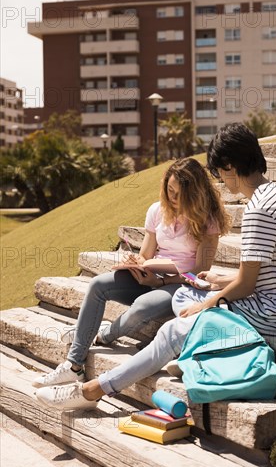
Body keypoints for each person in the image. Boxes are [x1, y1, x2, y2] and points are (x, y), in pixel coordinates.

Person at [35, 123, 276, 410]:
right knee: (184, 297)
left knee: (173, 329)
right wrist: (220, 280)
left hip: (273, 316)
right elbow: (263, 274)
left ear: (229, 165)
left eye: (218, 172)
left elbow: (246, 285)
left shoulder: (259, 210)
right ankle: (188, 353)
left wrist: (205, 306)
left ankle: (91, 391)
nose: (220, 179)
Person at [33, 157, 230, 389]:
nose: (172, 198)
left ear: (195, 194)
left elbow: (200, 271)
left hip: (181, 285)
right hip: (152, 275)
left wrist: (161, 281)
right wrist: (136, 262)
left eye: (179, 194)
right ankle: (73, 366)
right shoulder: (157, 211)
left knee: (142, 306)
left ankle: (104, 336)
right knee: (98, 285)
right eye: (169, 191)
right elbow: (146, 254)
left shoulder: (208, 219)